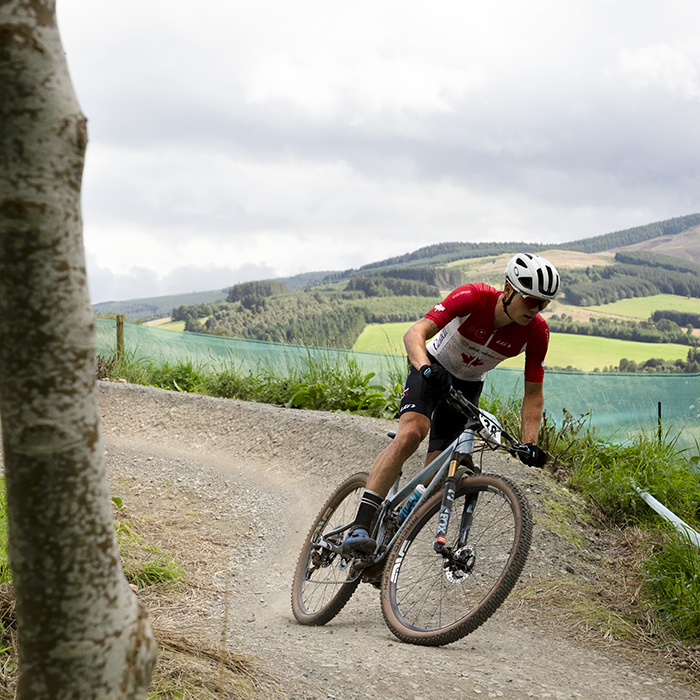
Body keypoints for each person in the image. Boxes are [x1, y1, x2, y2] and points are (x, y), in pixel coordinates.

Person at [343, 253, 560, 555]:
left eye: (544, 304)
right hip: (433, 367)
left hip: (468, 385)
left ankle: (391, 533)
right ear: (508, 289)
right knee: (411, 434)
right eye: (531, 300)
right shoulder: (473, 297)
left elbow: (533, 394)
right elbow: (414, 333)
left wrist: (529, 443)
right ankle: (360, 525)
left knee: (435, 475)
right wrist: (425, 368)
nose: (536, 309)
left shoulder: (537, 331)